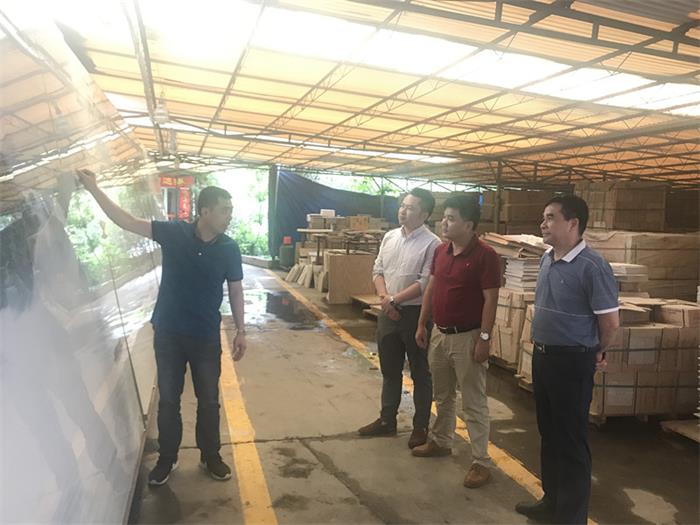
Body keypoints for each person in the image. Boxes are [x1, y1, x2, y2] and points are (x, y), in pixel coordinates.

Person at [76, 169, 247, 486]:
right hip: (169, 334)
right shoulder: (173, 233)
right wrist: (94, 188)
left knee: (209, 401)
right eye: (224, 210)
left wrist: (241, 330)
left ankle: (211, 456)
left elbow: (235, 290)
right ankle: (167, 458)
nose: (229, 216)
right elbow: (127, 222)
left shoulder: (229, 248)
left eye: (230, 210)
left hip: (206, 336)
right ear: (205, 211)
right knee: (169, 401)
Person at [515, 195, 619, 524]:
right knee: (550, 433)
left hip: (572, 362)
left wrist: (597, 350)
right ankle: (552, 501)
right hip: (544, 357)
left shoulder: (593, 266)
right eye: (543, 217)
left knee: (571, 439)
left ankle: (571, 517)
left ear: (573, 223)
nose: (542, 224)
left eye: (550, 217)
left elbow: (610, 322)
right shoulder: (547, 259)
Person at [413, 193, 500, 489]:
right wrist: (422, 323)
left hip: (468, 337)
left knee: (474, 403)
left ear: (469, 224)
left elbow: (491, 300)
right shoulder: (441, 251)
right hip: (440, 334)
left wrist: (484, 338)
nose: (444, 223)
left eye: (451, 218)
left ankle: (481, 462)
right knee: (443, 395)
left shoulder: (485, 256)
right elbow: (432, 288)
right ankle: (441, 441)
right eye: (444, 217)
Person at [358, 188, 441, 449]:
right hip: (388, 312)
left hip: (416, 314)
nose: (403, 211)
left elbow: (425, 282)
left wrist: (395, 300)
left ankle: (420, 426)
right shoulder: (390, 237)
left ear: (425, 214)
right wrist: (386, 299)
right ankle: (387, 420)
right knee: (390, 369)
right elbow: (378, 270)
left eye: (411, 208)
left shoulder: (433, 243)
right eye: (402, 205)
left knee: (420, 372)